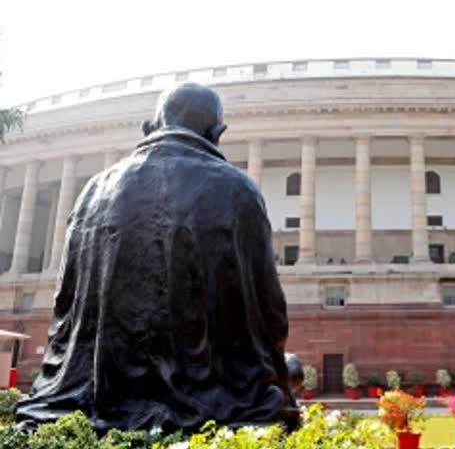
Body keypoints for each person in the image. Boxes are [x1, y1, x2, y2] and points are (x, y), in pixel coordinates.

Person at [16, 83, 297, 432]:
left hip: (97, 394)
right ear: (216, 133)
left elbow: (65, 309)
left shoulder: (93, 191)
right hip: (211, 398)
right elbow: (271, 313)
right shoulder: (239, 190)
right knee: (289, 371)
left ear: (149, 128)